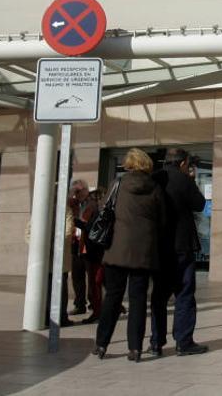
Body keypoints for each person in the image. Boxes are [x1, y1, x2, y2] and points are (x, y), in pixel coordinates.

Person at [93, 148, 167, 362]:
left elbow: (105, 209)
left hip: (117, 249)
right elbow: (162, 221)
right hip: (143, 252)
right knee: (138, 300)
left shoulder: (119, 183)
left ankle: (101, 345)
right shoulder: (155, 187)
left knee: (113, 298)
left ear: (129, 164)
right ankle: (135, 348)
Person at [150, 148, 209, 356]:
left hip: (159, 246)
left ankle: (156, 343)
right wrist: (191, 179)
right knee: (184, 293)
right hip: (182, 245)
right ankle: (183, 342)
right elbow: (200, 204)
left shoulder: (154, 178)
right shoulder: (183, 180)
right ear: (183, 163)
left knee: (159, 295)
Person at [69, 179, 95, 316]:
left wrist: (78, 222)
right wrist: (71, 193)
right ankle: (79, 304)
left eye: (79, 191)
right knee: (77, 276)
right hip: (75, 244)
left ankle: (93, 303)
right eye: (76, 192)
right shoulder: (73, 204)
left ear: (85, 190)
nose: (77, 194)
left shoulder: (92, 203)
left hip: (87, 244)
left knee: (91, 277)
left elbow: (90, 224)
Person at [81, 187, 106, 324]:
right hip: (97, 254)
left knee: (95, 284)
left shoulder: (98, 213)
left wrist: (79, 223)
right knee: (99, 283)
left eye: (90, 199)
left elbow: (92, 231)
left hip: (96, 254)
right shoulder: (98, 212)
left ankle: (98, 311)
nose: (87, 201)